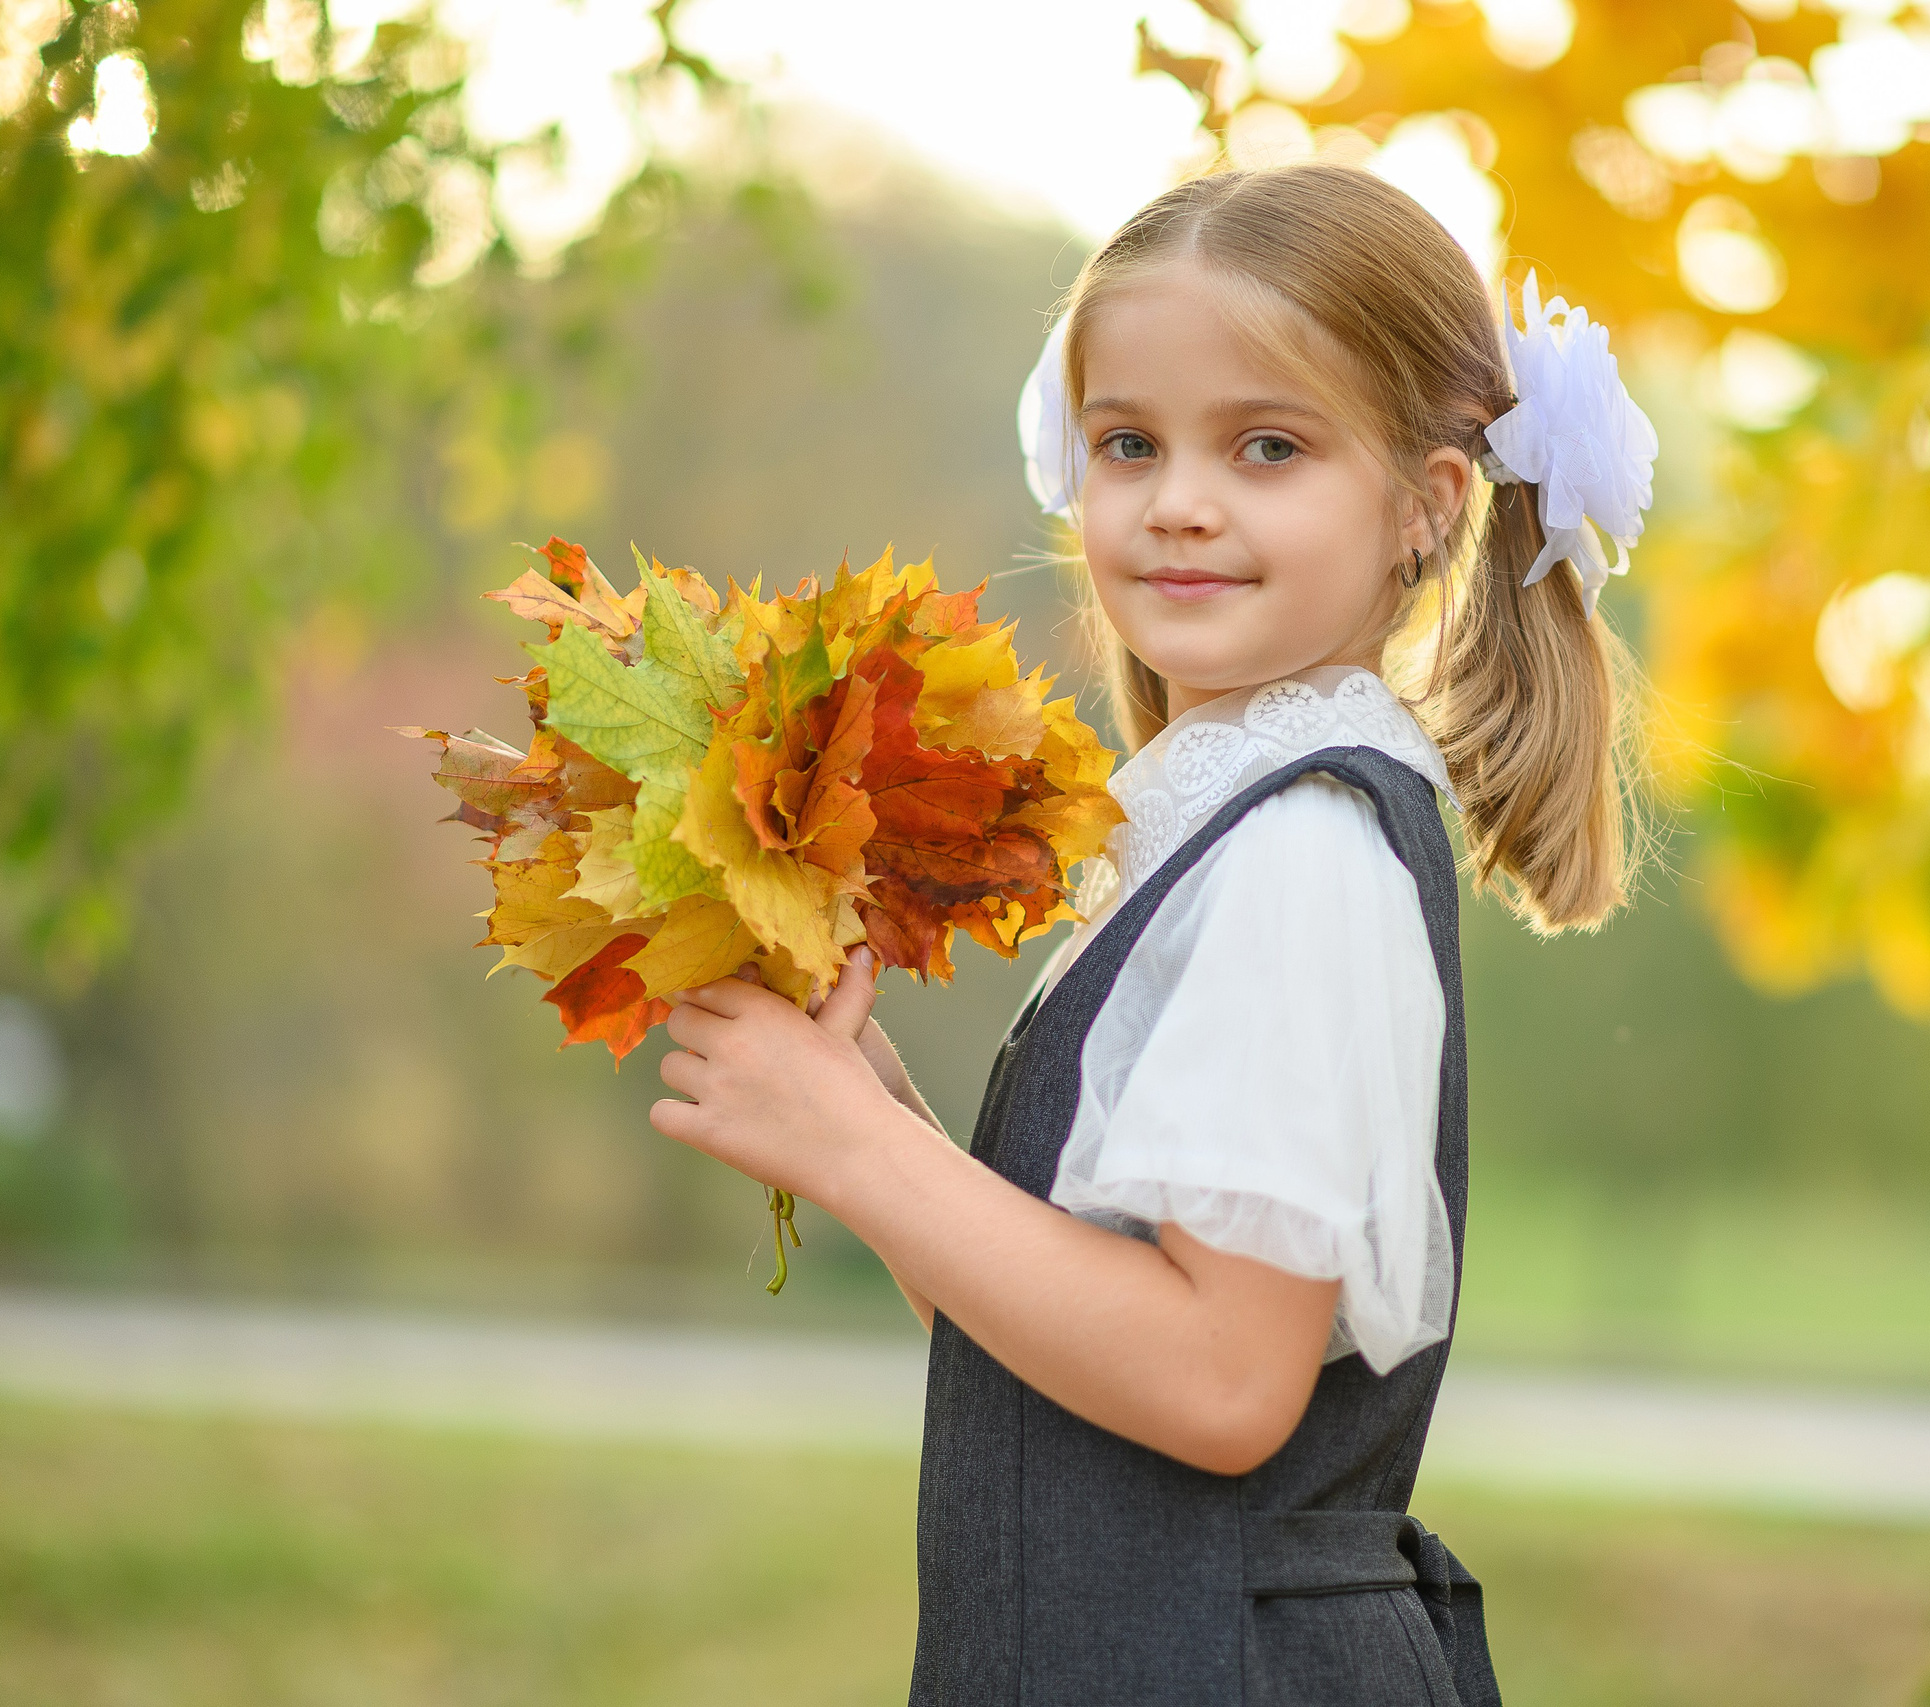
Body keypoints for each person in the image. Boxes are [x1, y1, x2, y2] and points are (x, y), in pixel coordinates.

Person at [647, 161, 1657, 1706]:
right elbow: (1060, 1335)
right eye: (1130, 442)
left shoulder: (1298, 857)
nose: (1180, 499)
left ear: (1424, 507)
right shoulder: (1211, 828)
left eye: (1267, 446)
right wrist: (869, 1112)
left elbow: (1225, 1380)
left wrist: (861, 1153)